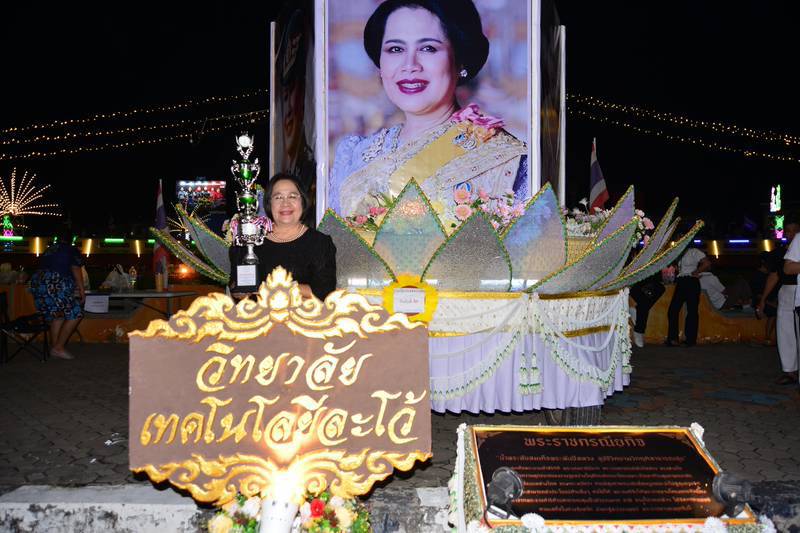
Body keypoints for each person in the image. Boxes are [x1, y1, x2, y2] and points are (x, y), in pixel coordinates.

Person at [329, 0, 528, 220]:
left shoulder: (500, 156)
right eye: (395, 49)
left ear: (460, 60)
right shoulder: (353, 155)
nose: (410, 65)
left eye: (428, 48)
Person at [229, 174, 337, 301]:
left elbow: (325, 291)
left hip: (304, 313)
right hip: (257, 312)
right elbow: (235, 283)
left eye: (292, 196)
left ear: (303, 202)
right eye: (278, 197)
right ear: (269, 203)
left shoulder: (320, 243)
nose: (285, 203)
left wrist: (279, 288)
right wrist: (239, 291)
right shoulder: (250, 239)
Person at [29, 226, 85, 360]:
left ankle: (55, 347)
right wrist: (81, 289)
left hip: (38, 283)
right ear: (72, 239)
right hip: (54, 282)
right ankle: (59, 348)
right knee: (76, 313)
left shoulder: (49, 249)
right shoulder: (71, 249)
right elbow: (75, 268)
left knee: (57, 315)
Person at [666, 244, 711, 347]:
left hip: (691, 280)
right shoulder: (679, 252)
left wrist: (696, 272)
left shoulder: (694, 251)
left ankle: (690, 340)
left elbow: (707, 263)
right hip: (681, 281)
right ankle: (673, 339)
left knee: (692, 311)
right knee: (673, 310)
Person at [777, 219, 800, 385]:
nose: (790, 234)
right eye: (788, 231)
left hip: (797, 290)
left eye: (794, 230)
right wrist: (763, 299)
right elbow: (775, 275)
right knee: (785, 331)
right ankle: (789, 370)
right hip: (787, 291)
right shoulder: (779, 252)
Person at [629, 274, 665, 348]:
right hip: (635, 282)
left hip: (650, 282)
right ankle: (639, 330)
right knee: (644, 304)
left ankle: (639, 325)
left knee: (660, 289)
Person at [752, 251, 778, 346]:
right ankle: (768, 337)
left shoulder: (771, 274)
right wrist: (769, 302)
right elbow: (757, 295)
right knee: (774, 312)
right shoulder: (757, 275)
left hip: (770, 300)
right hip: (760, 301)